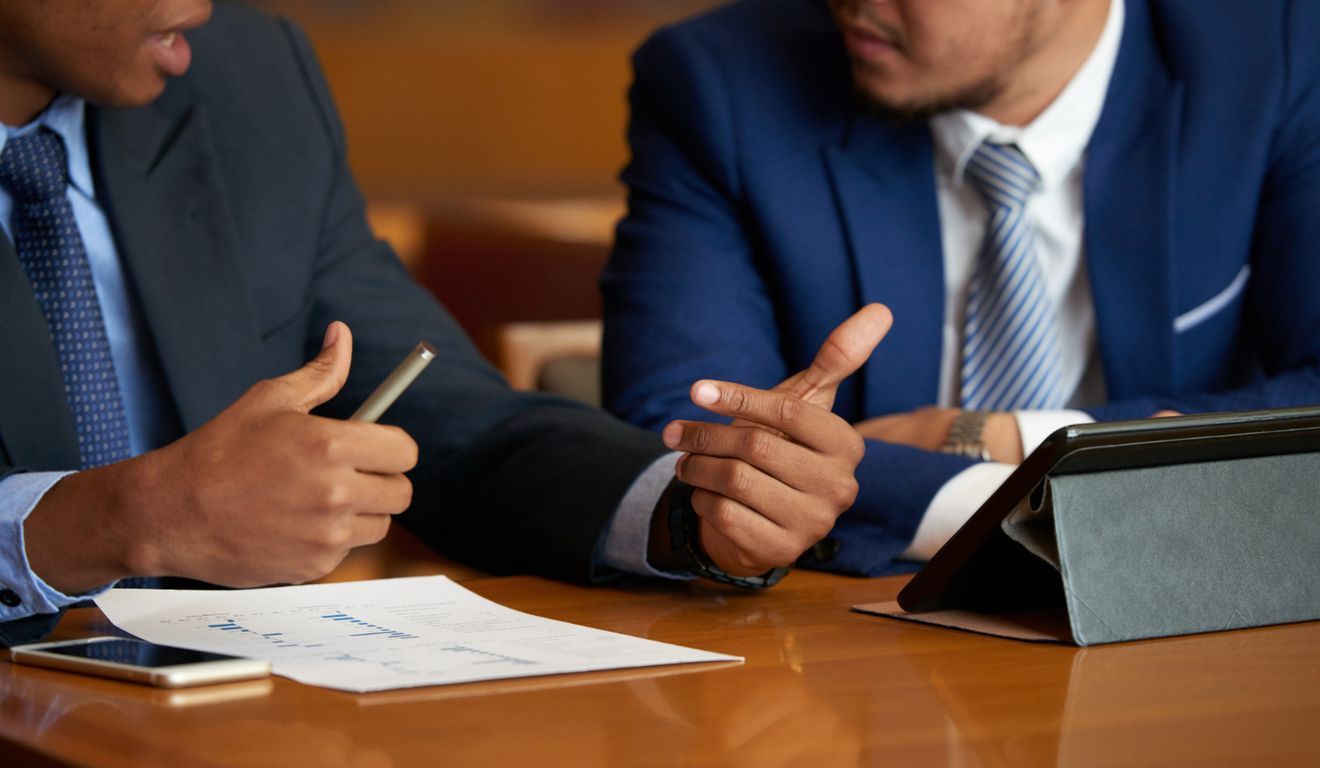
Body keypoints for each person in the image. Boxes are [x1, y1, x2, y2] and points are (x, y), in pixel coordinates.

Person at [0, 0, 890, 647]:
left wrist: (696, 508)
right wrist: (112, 519)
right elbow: (143, 513)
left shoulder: (245, 73)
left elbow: (456, 422)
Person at [602, 0, 1320, 576]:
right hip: (850, 648)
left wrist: (998, 439)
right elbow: (686, 442)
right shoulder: (721, 80)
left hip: (1192, 616)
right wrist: (1039, 502)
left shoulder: (1278, 50)